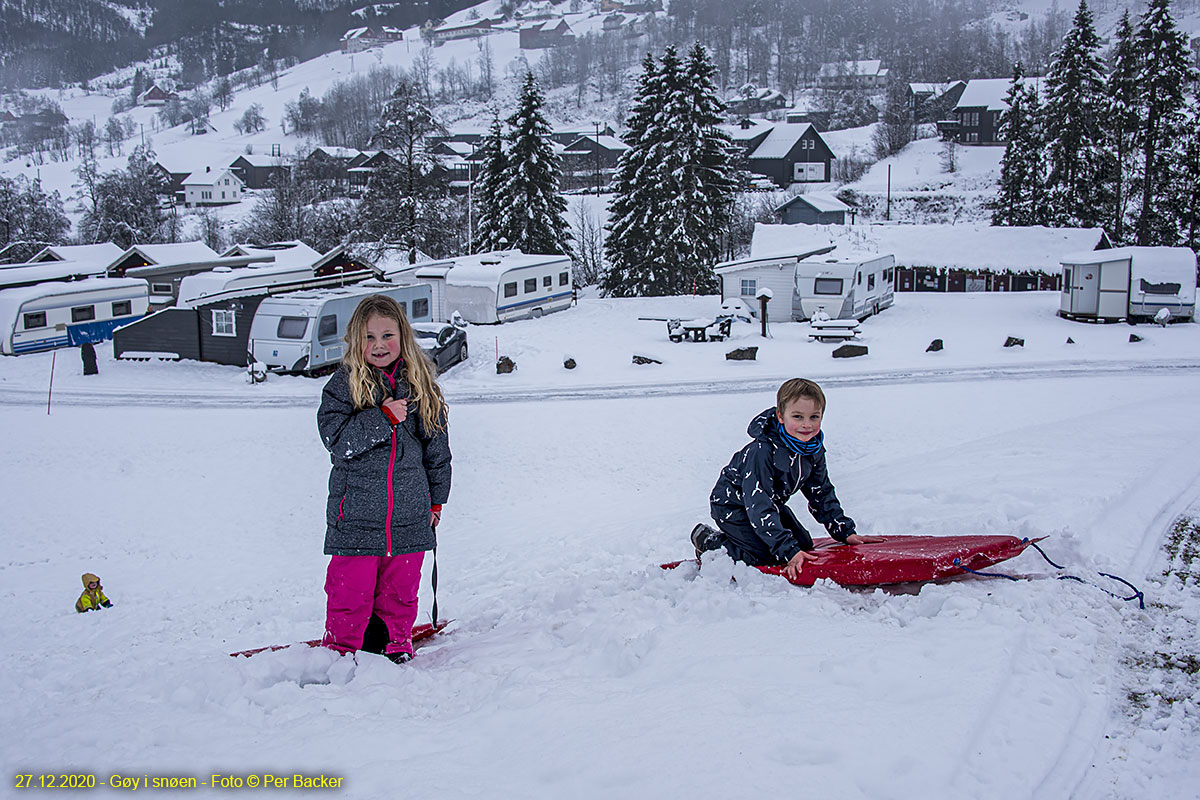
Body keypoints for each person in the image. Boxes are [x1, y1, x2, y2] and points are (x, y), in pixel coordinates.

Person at [317, 295, 452, 664]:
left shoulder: (421, 385)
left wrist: (437, 500)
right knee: (350, 591)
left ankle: (395, 643)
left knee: (401, 589)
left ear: (403, 336)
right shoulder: (343, 385)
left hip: (410, 513)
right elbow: (337, 441)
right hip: (356, 515)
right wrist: (383, 418)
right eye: (369, 337)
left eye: (387, 336)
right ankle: (342, 650)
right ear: (355, 340)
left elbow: (437, 451)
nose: (378, 346)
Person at [693, 378, 881, 581]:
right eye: (798, 417)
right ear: (781, 416)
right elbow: (759, 505)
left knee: (803, 544)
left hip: (768, 503)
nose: (806, 425)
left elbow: (821, 491)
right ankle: (709, 541)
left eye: (814, 417)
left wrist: (844, 531)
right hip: (733, 507)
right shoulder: (763, 452)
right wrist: (787, 550)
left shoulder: (812, 449)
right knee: (768, 555)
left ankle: (753, 541)